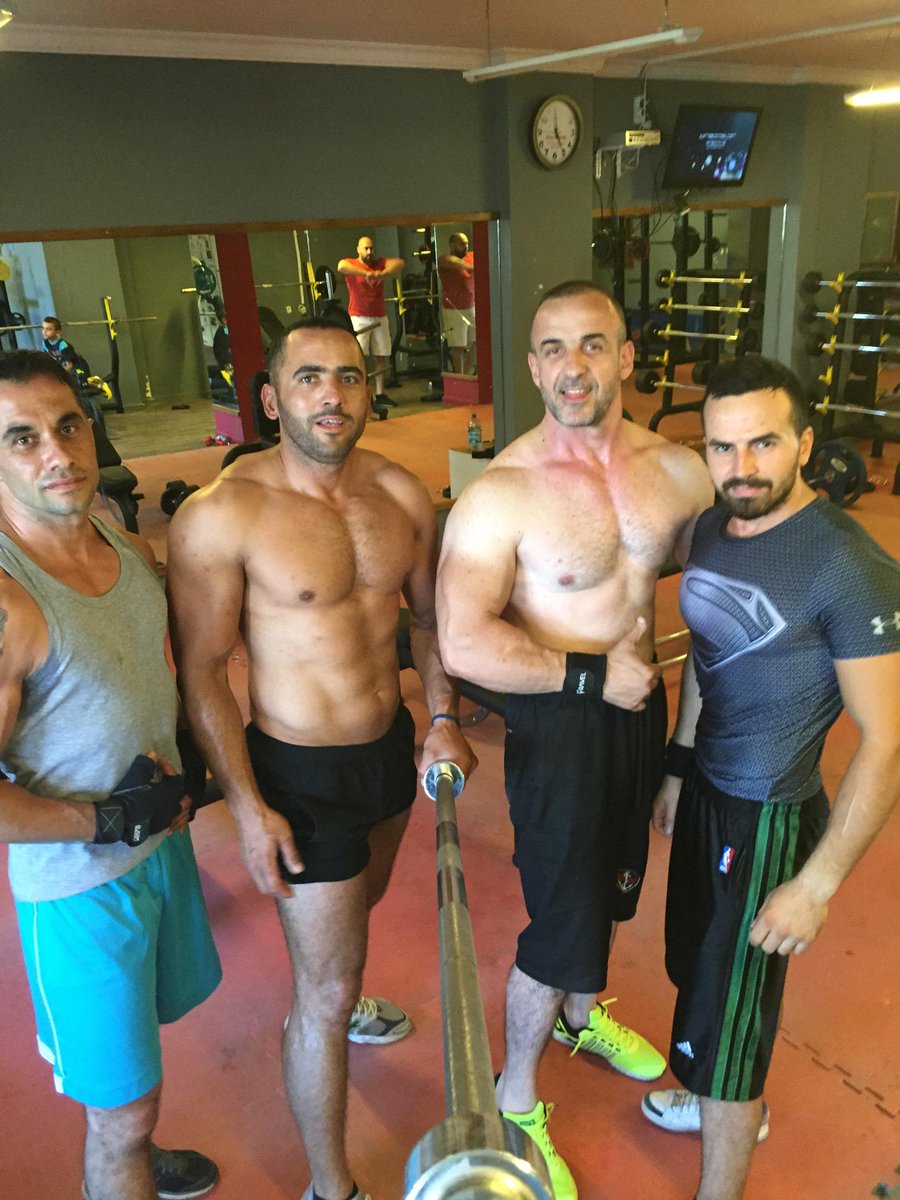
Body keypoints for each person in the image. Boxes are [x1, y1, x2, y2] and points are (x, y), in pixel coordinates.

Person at [166, 318, 475, 1200]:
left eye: (348, 376)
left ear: (370, 390)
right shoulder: (221, 513)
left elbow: (428, 623)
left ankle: (339, 989)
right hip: (299, 777)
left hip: (387, 758)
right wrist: (246, 803)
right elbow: (202, 670)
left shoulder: (401, 494)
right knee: (327, 991)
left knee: (356, 919)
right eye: (308, 378)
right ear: (272, 399)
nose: (330, 396)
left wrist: (443, 716)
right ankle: (330, 1186)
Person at [436, 280, 714, 1199]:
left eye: (592, 344)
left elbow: (723, 607)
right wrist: (590, 677)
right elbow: (461, 640)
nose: (573, 367)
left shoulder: (681, 474)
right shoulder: (503, 492)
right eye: (552, 349)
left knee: (616, 896)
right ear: (531, 366)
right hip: (561, 721)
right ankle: (516, 1098)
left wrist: (680, 754)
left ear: (627, 356)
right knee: (561, 926)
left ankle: (581, 1018)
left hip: (643, 716)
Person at [641, 355, 900, 1200]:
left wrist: (816, 886)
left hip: (769, 817)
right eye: (722, 447)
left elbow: (885, 741)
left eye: (763, 443)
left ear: (805, 444)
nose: (741, 466)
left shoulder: (845, 564)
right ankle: (709, 1091)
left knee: (734, 1023)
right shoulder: (714, 529)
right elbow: (709, 654)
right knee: (698, 971)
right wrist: (679, 766)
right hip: (707, 792)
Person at [0, 350, 222, 1200]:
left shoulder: (122, 545)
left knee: (136, 1075)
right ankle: (123, 1150)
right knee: (119, 1113)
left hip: (156, 854)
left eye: (68, 426)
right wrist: (106, 819)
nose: (57, 452)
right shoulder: (11, 600)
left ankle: (132, 1143)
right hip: (77, 895)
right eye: (22, 439)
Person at [337, 236, 405, 410]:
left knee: (381, 356)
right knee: (358, 358)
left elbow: (399, 263)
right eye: (366, 248)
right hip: (359, 318)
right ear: (358, 249)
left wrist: (382, 273)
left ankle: (380, 395)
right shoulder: (351, 264)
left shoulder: (380, 263)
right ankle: (361, 395)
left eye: (371, 248)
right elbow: (341, 266)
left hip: (380, 316)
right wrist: (365, 273)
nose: (369, 252)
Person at [437, 232, 476, 375]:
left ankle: (467, 375)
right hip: (453, 310)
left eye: (467, 243)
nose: (465, 246)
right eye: (462, 244)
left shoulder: (471, 256)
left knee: (476, 343)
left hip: (471, 307)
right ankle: (460, 378)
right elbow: (453, 262)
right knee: (458, 347)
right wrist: (470, 267)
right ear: (452, 245)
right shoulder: (444, 260)